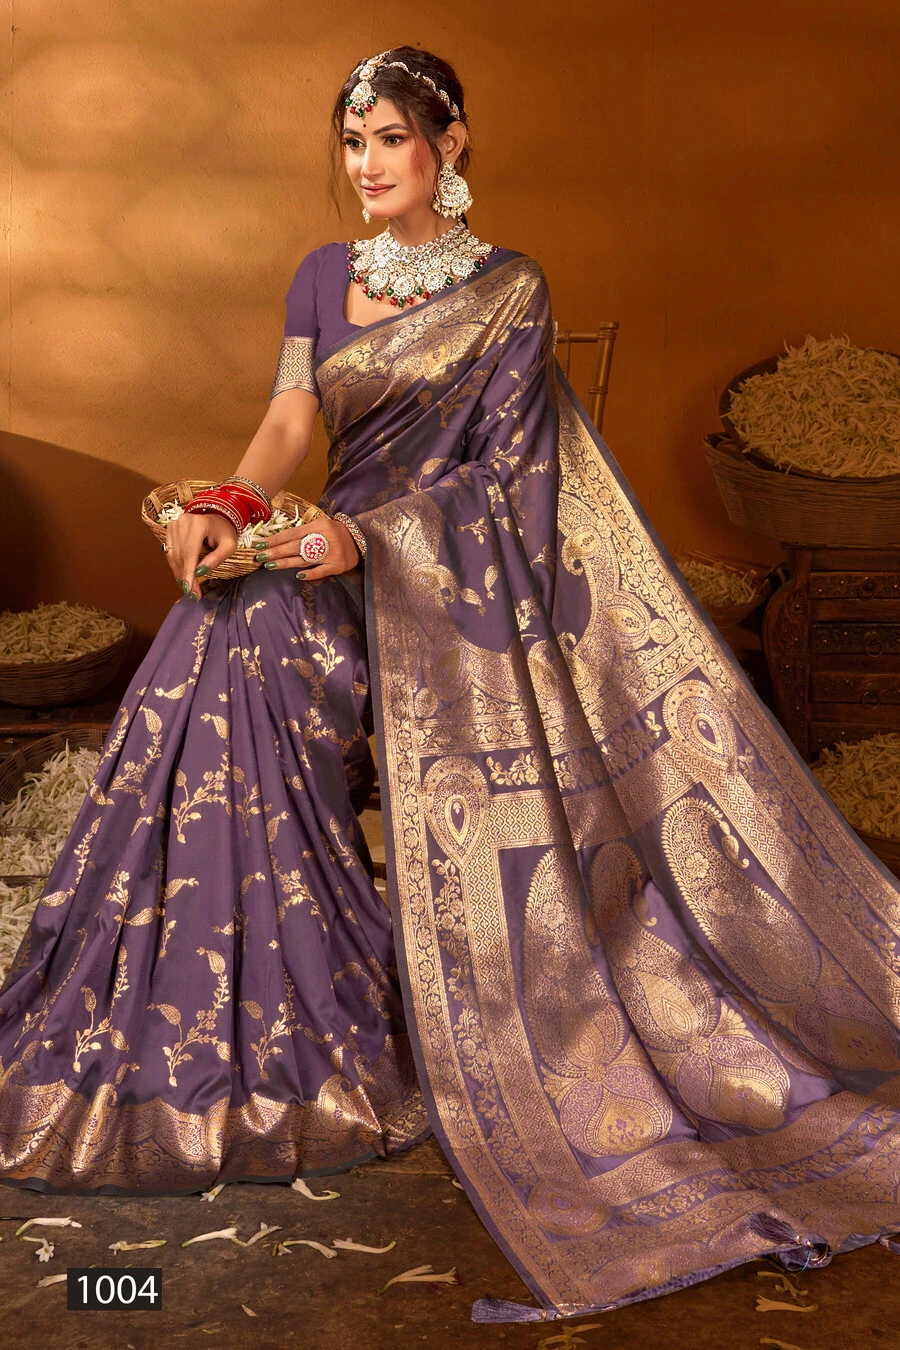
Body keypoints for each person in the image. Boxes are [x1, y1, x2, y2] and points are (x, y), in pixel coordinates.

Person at [2, 45, 900, 1326]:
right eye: (352, 141)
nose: (366, 164)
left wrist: (364, 541)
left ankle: (301, 1020)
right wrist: (228, 509)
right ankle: (234, 1020)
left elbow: (509, 485)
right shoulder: (321, 275)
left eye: (390, 139)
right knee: (216, 628)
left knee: (241, 646)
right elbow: (290, 427)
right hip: (317, 554)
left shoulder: (510, 290)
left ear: (451, 144)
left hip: (439, 593)